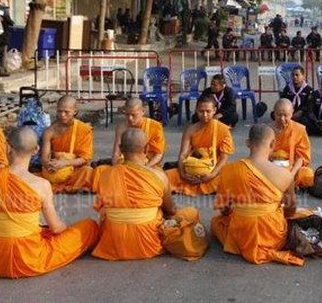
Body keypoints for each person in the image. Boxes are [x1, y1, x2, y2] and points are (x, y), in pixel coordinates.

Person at [0, 127, 98, 278]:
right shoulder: (41, 185)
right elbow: (56, 228)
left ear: (7, 147)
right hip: (29, 259)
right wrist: (68, 232)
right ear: (36, 149)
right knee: (89, 227)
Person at [93, 128, 198, 260]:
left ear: (120, 148)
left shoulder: (105, 174)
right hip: (148, 242)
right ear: (147, 149)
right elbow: (171, 210)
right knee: (191, 212)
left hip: (114, 241)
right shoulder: (158, 175)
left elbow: (100, 207)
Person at [211, 124, 304, 266]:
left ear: (248, 143)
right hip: (272, 236)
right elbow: (291, 210)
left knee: (216, 222)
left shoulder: (229, 170)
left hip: (242, 236)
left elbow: (223, 208)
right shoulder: (285, 175)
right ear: (273, 144)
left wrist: (239, 210)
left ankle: (242, 242)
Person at [165, 98, 234, 196]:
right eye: (201, 111)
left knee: (231, 177)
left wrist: (212, 174)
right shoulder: (190, 129)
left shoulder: (223, 130)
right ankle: (205, 187)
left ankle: (207, 185)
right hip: (192, 167)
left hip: (214, 169)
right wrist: (183, 174)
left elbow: (223, 157)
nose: (205, 115)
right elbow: (183, 155)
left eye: (208, 111)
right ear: (196, 110)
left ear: (214, 110)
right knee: (166, 176)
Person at [40, 96, 95, 193]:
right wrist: (50, 165)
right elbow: (44, 158)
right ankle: (70, 187)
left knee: (88, 171)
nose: (62, 115)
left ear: (75, 111)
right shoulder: (49, 131)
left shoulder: (83, 129)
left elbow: (85, 158)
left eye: (66, 112)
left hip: (75, 171)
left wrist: (65, 163)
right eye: (59, 111)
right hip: (55, 172)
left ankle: (71, 186)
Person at [270, 99, 314, 188]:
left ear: (292, 113)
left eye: (285, 115)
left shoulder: (299, 129)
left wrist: (291, 174)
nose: (282, 119)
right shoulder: (267, 130)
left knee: (307, 174)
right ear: (274, 113)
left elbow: (302, 157)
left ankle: (286, 183)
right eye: (279, 115)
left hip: (291, 166)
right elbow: (261, 153)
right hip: (271, 166)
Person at [111, 98, 166, 168]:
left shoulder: (155, 126)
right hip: (126, 166)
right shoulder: (121, 128)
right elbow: (116, 154)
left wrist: (145, 168)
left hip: (149, 166)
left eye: (134, 115)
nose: (130, 118)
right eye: (127, 114)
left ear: (143, 111)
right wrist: (118, 168)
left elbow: (159, 155)